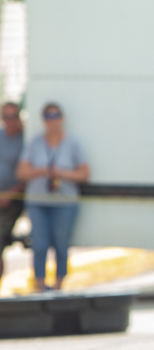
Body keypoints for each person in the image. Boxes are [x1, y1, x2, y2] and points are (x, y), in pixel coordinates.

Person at [16, 102, 89, 292]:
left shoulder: (73, 143)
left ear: (61, 119)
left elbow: (84, 173)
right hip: (38, 201)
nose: (52, 120)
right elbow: (22, 172)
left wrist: (62, 173)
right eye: (48, 116)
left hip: (64, 202)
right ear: (43, 120)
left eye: (55, 115)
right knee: (39, 245)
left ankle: (58, 285)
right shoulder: (35, 143)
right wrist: (42, 171)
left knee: (61, 244)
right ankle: (40, 285)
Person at [0, 101, 24, 287]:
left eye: (13, 116)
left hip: (13, 201)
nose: (10, 120)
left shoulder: (25, 140)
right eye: (6, 116)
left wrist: (10, 194)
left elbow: (26, 175)